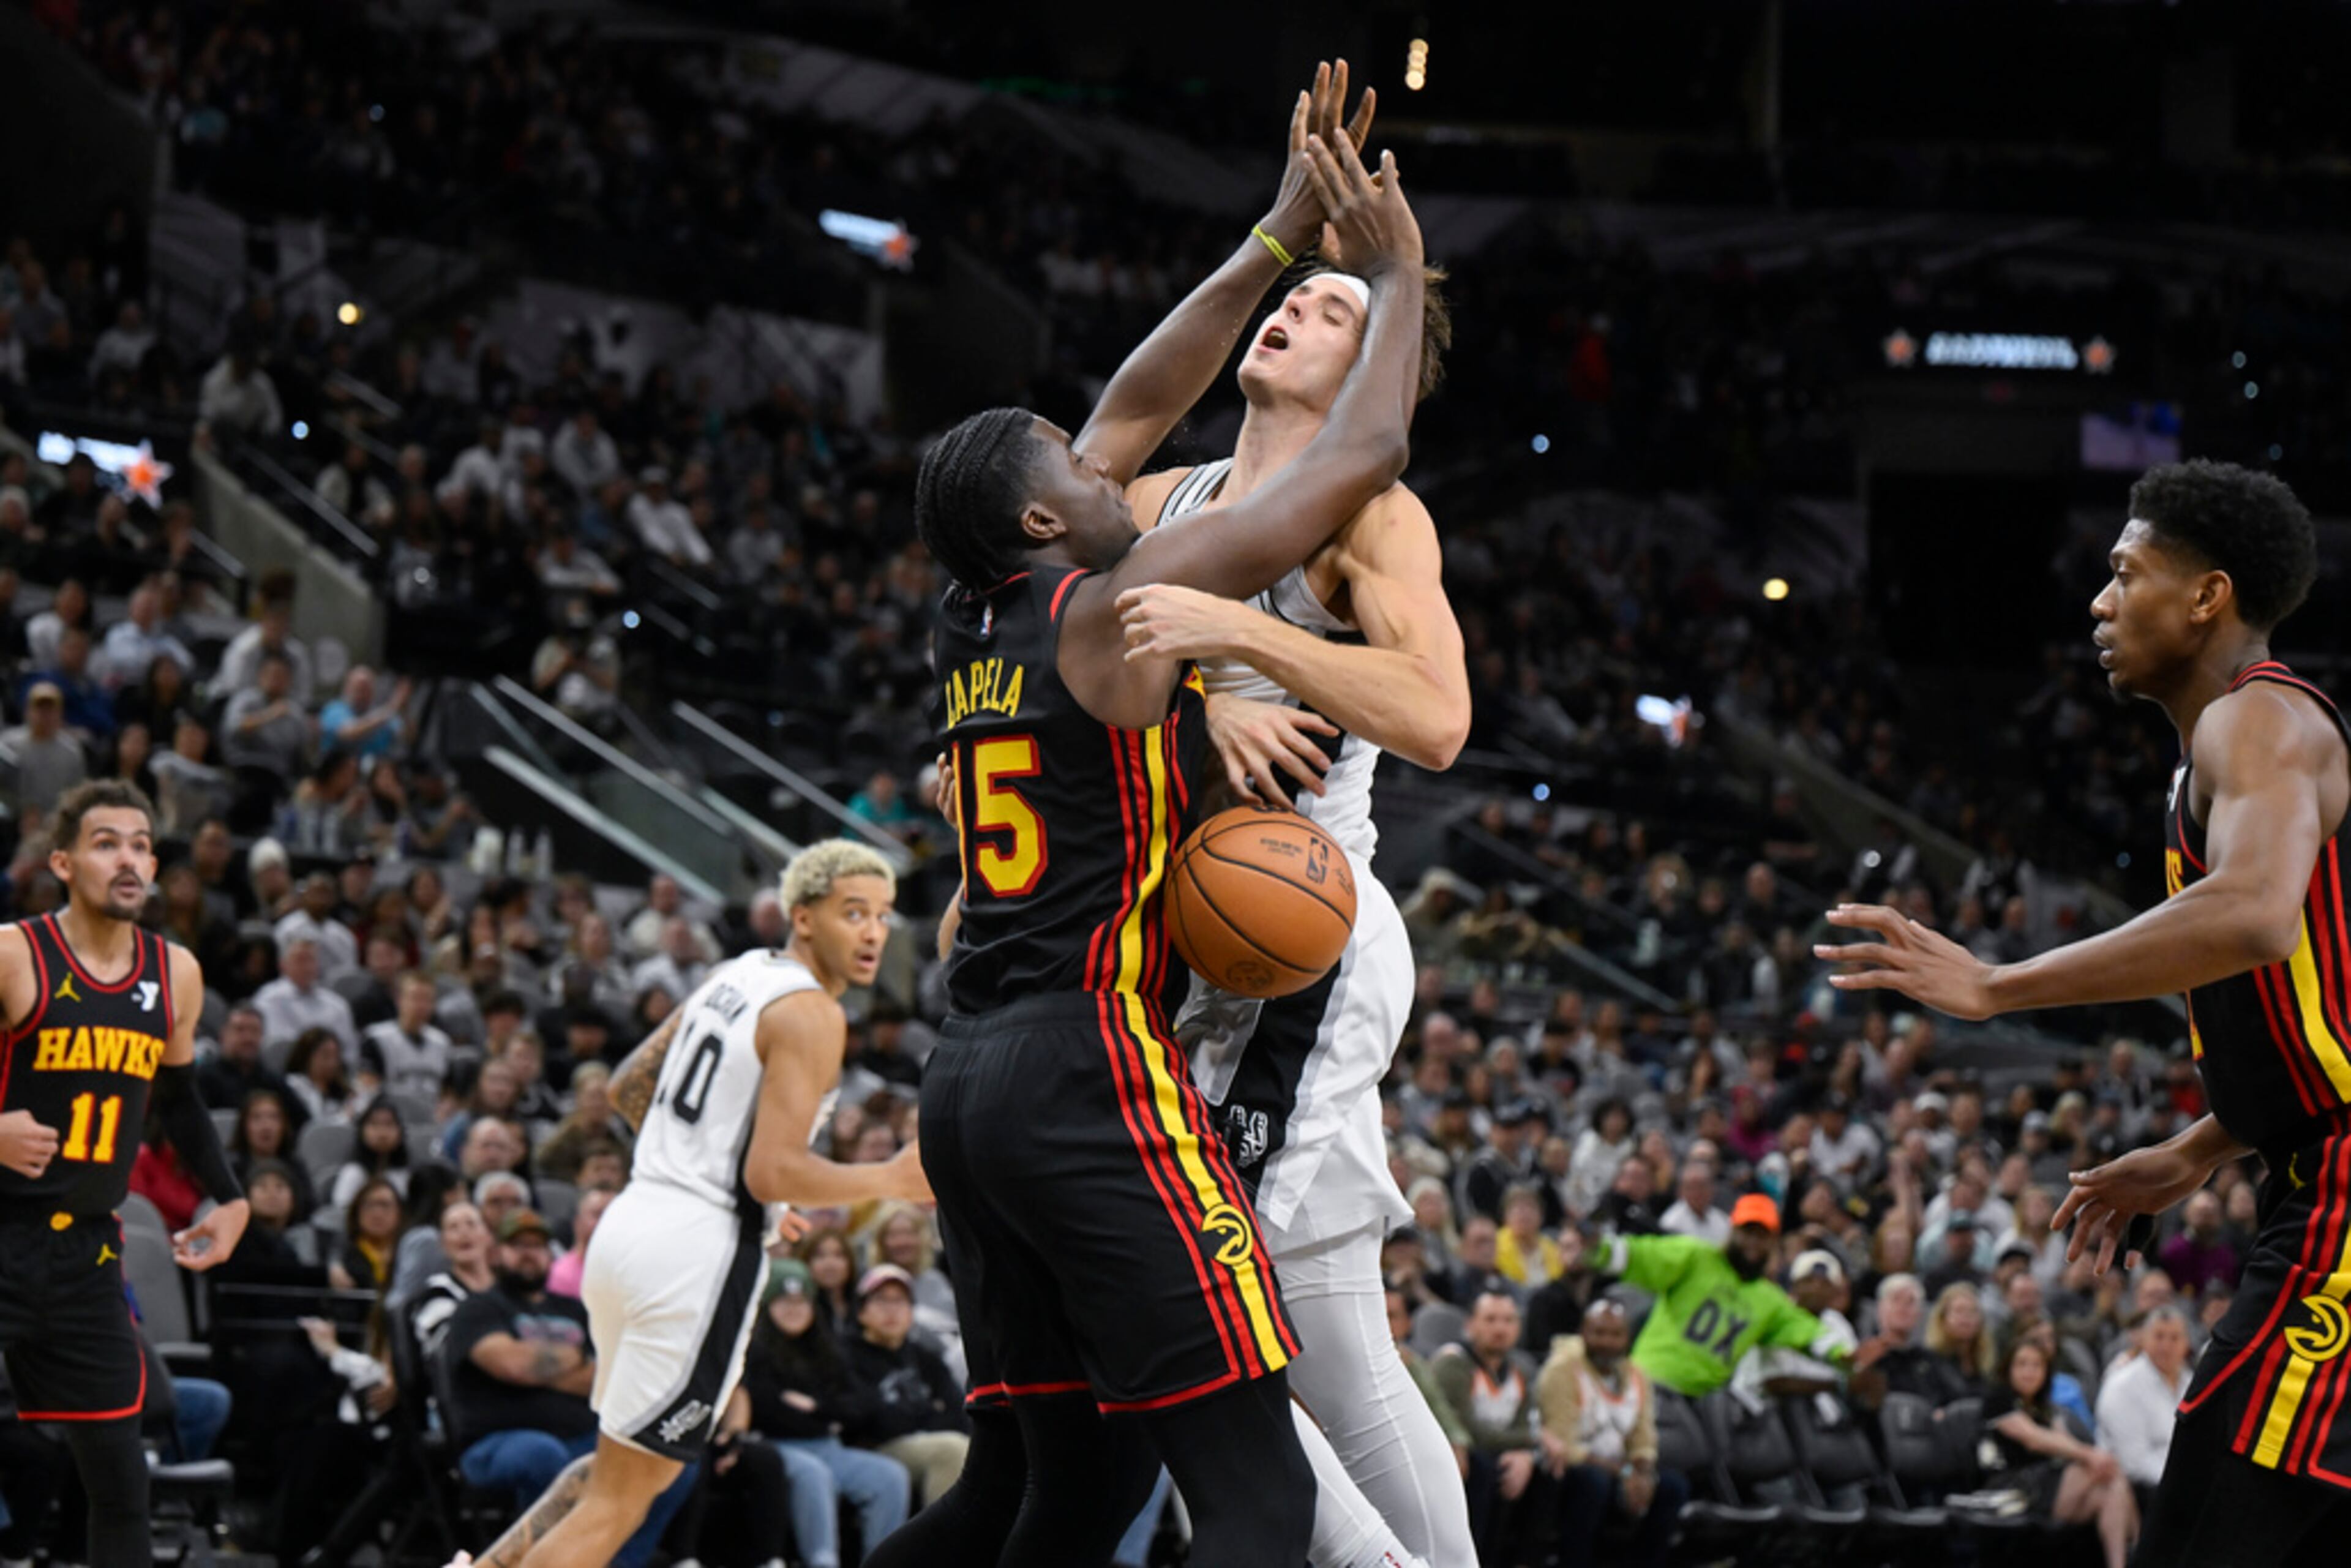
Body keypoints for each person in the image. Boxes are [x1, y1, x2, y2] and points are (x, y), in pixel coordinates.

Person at [871, 81, 1425, 1568]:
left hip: (966, 1077)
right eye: (1068, 460)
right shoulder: (1114, 602)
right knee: (1255, 1490)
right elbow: (1353, 463)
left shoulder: (978, 609)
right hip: (1088, 1065)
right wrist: (1392, 279)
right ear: (1047, 518)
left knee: (1048, 1494)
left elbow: (1127, 402)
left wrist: (1270, 234)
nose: (1099, 450)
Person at [1821, 460, 2351, 1561]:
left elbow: (2252, 914)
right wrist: (2209, 1143)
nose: (2100, 604)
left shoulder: (2258, 722)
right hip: (2305, 1176)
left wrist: (1999, 983)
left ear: (2206, 596)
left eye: (2124, 575)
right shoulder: (2234, 750)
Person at [1104, 75, 1469, 1561]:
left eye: (1328, 307)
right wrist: (1202, 682)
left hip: (1302, 934)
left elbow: (1437, 717)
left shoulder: (1366, 514)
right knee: (1338, 1349)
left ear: (1370, 363)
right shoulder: (1170, 496)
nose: (1290, 312)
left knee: (1194, 1314)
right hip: (1207, 945)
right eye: (1288, 298)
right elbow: (1110, 443)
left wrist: (1251, 645)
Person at [448, 842, 929, 1568]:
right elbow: (772, 1172)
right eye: (852, 912)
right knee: (625, 1495)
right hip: (695, 1255)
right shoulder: (813, 1013)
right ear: (803, 916)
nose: (872, 933)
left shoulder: (733, 974)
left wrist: (718, 1173)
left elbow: (627, 1086)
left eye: (884, 917)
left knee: (621, 1469)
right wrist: (890, 1178)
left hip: (631, 1223)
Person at [0, 780, 249, 1567]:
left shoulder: (173, 973)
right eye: (109, 842)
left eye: (143, 843)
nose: (132, 858)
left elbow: (177, 1098)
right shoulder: (13, 952)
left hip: (89, 1256)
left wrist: (231, 1196)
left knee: (121, 1488)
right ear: (65, 862)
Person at [441, 1209, 693, 1568]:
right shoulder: (478, 1308)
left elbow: (609, 1374)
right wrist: (572, 1358)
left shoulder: (577, 1310)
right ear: (497, 1253)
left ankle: (619, 1562)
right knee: (543, 1456)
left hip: (580, 1434)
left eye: (538, 1246)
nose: (529, 1253)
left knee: (668, 1457)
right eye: (518, 1245)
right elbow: (512, 1365)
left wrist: (540, 1367)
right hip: (497, 1441)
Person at [1578, 1193, 1857, 1399]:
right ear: (1732, 1230)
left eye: (1762, 1236)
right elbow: (1640, 1257)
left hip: (1703, 1403)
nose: (1753, 1244)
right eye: (1748, 1232)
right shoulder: (1695, 1257)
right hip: (1650, 1385)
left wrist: (1844, 1356)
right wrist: (1597, 1249)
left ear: (1773, 1242)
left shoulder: (1770, 1300)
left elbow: (1808, 1331)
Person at [1536, 1300, 1687, 1568]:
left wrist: (1642, 1473)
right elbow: (1562, 1444)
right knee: (1594, 1483)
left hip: (1620, 1467)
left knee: (1673, 1486)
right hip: (1570, 1469)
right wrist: (1624, 1473)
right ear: (1583, 1333)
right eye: (1599, 1333)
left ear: (1627, 1338)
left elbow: (1643, 1437)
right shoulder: (1562, 1370)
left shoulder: (1637, 1374)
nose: (1607, 1342)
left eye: (1615, 1334)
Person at [1983, 1337, 2139, 1568]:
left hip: (2046, 1487)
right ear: (2008, 1369)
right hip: (2008, 1489)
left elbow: (2063, 1441)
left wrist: (2093, 1457)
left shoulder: (2045, 1405)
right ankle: (2145, 1553)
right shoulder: (1998, 1399)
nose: (2030, 1371)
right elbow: (2035, 1439)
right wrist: (2091, 1455)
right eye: (2022, 1364)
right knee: (2105, 1469)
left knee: (2110, 1492)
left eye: (2037, 1365)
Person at [1432, 1289, 1545, 1565]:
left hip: (1494, 1455)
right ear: (1470, 1325)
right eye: (1491, 1319)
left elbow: (1523, 1429)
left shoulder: (1520, 1370)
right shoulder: (1452, 1363)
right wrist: (1532, 1441)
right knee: (1483, 1465)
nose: (1500, 1328)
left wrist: (1526, 1455)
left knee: (1547, 1471)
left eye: (1508, 1321)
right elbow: (1470, 1432)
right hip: (1453, 1458)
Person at [843, 1262, 971, 1505]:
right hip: (873, 1451)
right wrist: (930, 1413)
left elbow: (959, 1410)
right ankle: (942, 1539)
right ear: (861, 1311)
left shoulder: (924, 1356)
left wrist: (916, 1419)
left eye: (900, 1301)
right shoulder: (847, 1355)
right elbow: (874, 1421)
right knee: (950, 1449)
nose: (892, 1311)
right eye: (881, 1301)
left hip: (923, 1443)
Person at [2096, 1303, 2195, 1504]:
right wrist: (2184, 1482)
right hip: (2141, 1489)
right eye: (2159, 1336)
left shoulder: (2191, 1382)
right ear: (2144, 1340)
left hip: (2186, 1478)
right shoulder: (2123, 1385)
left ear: (2186, 1344)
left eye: (2174, 1338)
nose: (2166, 1346)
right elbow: (2134, 1462)